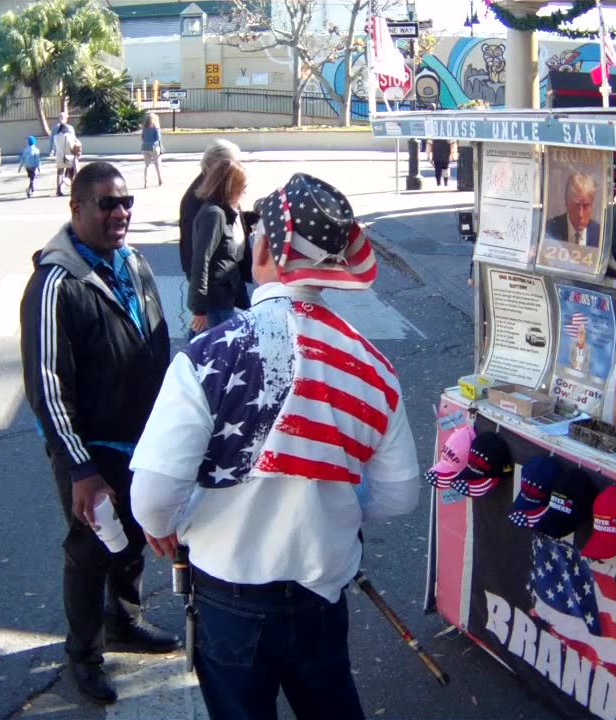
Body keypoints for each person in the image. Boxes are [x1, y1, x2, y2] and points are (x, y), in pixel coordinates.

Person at [130, 172, 420, 720]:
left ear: (264, 249)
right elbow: (400, 495)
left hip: (230, 593)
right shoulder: (374, 370)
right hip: (322, 593)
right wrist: (332, 508)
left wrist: (165, 522)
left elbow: (152, 496)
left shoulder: (207, 356)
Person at [19, 161, 180, 706]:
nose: (120, 213)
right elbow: (46, 385)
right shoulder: (54, 283)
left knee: (134, 539)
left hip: (146, 442)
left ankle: (124, 621)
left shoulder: (133, 263)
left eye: (126, 202)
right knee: (90, 551)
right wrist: (81, 471)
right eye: (107, 203)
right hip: (92, 452)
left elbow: (157, 343)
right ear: (78, 209)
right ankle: (84, 655)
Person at [188, 160, 250, 335]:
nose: (245, 191)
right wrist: (199, 309)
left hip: (227, 296)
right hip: (215, 303)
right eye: (243, 186)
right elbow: (201, 261)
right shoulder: (214, 214)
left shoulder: (227, 211)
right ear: (231, 186)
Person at [180, 140, 240, 272]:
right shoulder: (200, 196)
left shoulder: (219, 185)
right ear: (217, 165)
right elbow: (200, 256)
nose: (238, 168)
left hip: (226, 271)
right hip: (214, 278)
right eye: (234, 163)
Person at [544, 172, 601, 247]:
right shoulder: (550, 229)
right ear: (567, 203)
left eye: (586, 206)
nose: (581, 214)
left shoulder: (599, 234)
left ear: (592, 205)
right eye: (577, 206)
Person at [140, 113, 164, 188]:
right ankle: (160, 180)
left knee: (147, 166)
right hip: (154, 147)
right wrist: (160, 148)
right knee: (158, 165)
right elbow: (158, 139)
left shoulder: (144, 128)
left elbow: (143, 138)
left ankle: (146, 183)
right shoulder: (156, 128)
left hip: (145, 148)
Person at [53, 125, 76, 197]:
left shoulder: (55, 137)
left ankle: (58, 189)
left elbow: (56, 146)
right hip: (68, 157)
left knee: (59, 173)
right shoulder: (69, 136)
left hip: (59, 157)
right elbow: (71, 146)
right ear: (64, 129)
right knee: (70, 173)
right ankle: (72, 190)